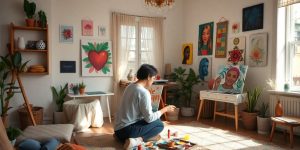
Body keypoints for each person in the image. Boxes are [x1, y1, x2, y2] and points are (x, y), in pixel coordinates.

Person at [114, 64, 176, 149]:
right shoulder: (143, 92)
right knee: (159, 124)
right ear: (148, 77)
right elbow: (149, 119)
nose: (153, 81)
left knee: (156, 119)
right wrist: (164, 109)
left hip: (118, 130)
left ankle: (122, 138)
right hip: (127, 130)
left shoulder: (130, 86)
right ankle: (136, 140)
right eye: (153, 78)